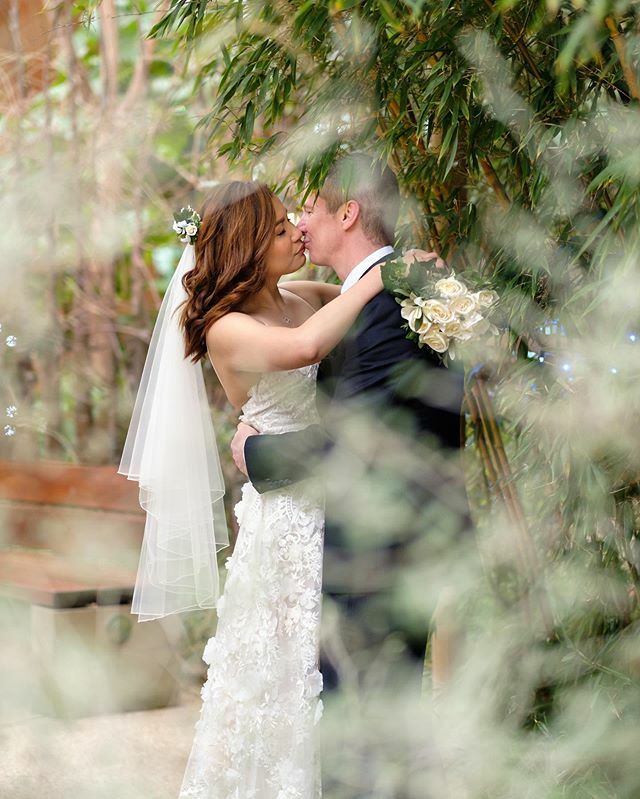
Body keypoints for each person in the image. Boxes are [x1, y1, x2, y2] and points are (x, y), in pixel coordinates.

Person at [119, 179, 386, 799]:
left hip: (330, 488)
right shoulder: (224, 327)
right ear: (244, 248)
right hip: (287, 513)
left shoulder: (298, 294)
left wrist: (385, 277)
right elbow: (308, 346)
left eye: (289, 216)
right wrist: (380, 277)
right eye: (274, 227)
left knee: (329, 670)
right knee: (282, 668)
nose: (292, 227)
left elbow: (347, 298)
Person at [230, 154, 471, 696]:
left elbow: (360, 438)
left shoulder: (387, 303)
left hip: (380, 553)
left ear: (348, 215)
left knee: (362, 727)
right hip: (378, 538)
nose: (300, 226)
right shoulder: (388, 292)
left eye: (309, 210)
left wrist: (256, 455)